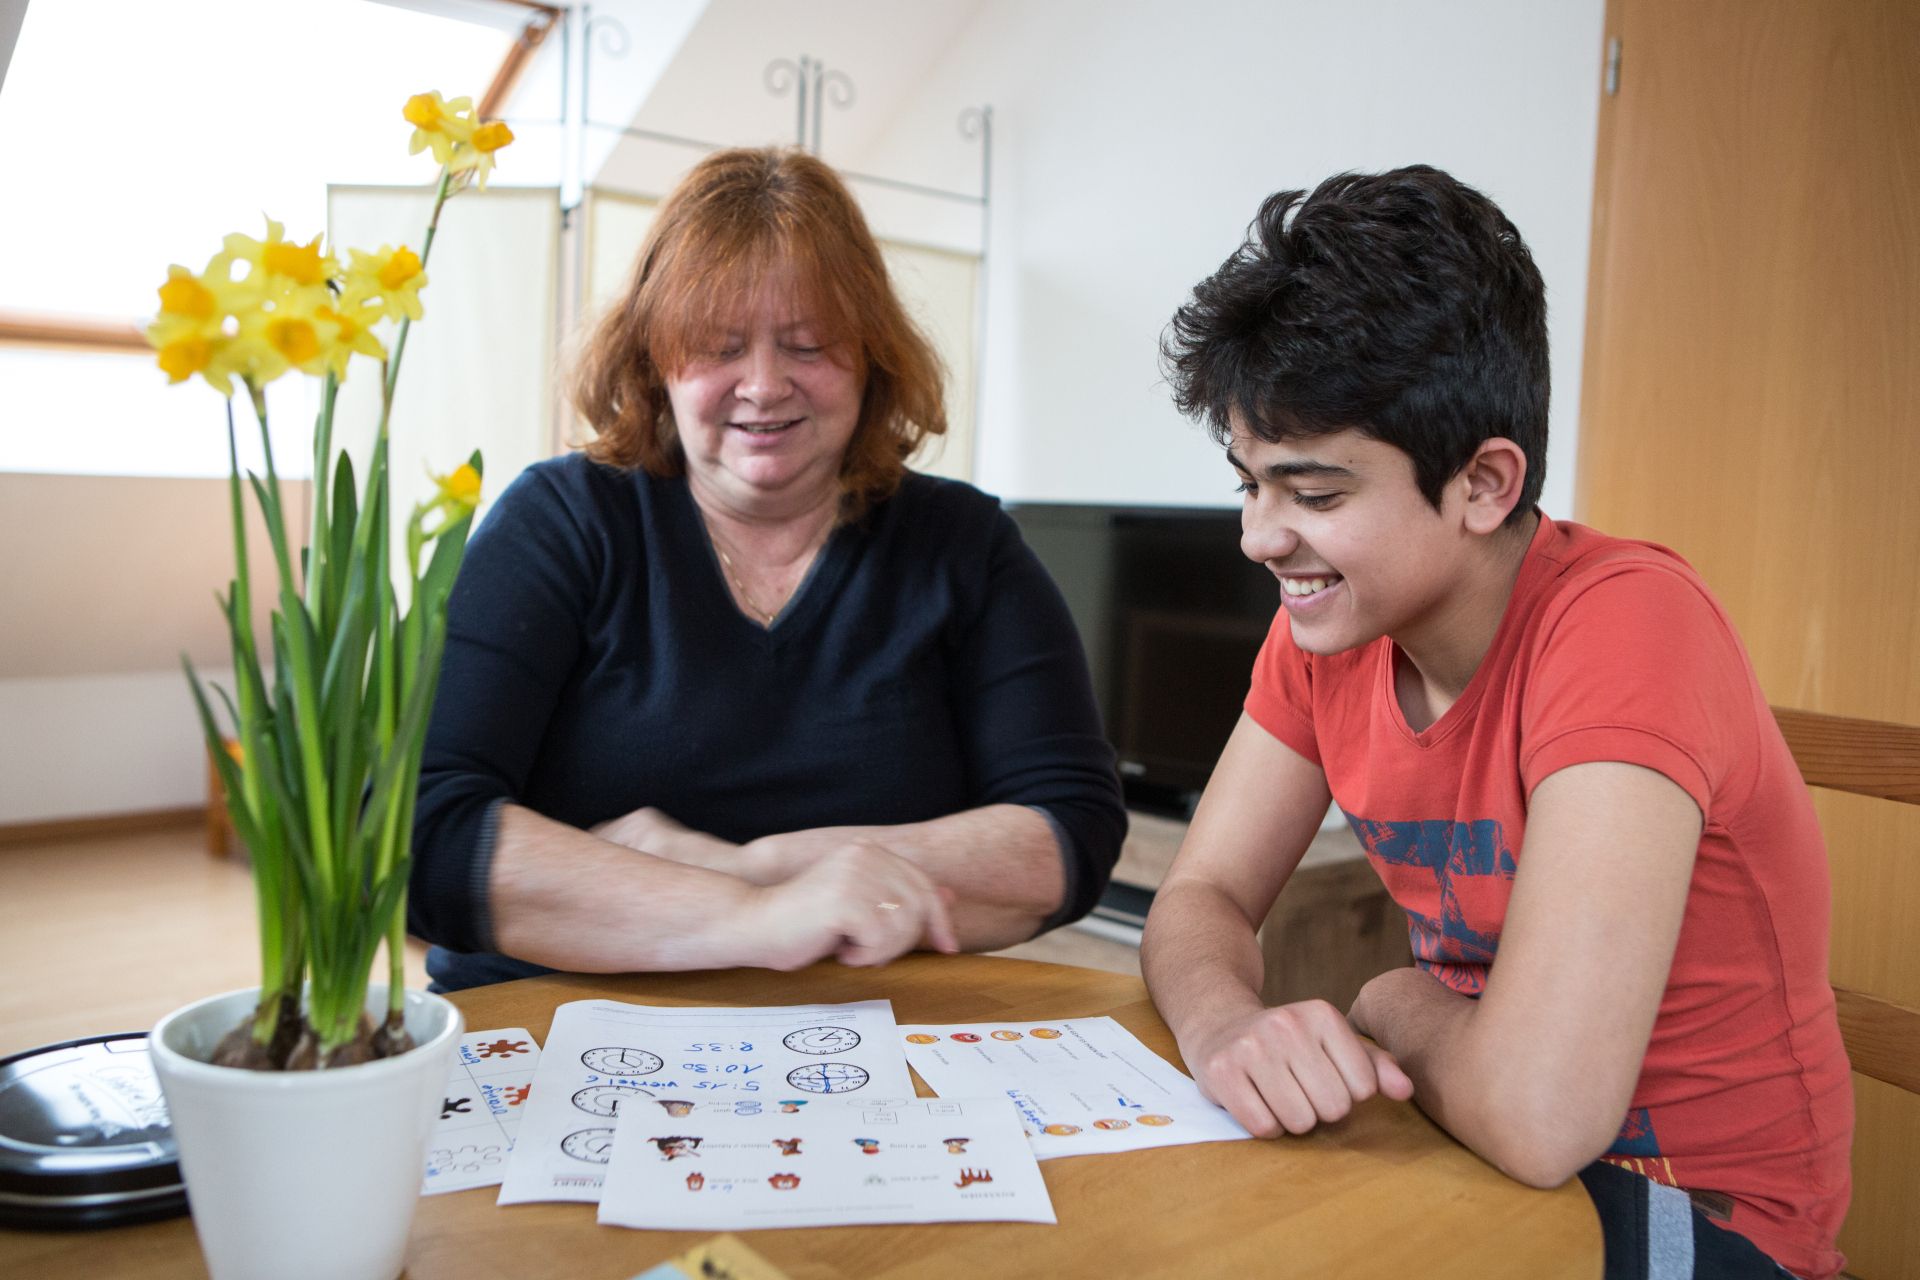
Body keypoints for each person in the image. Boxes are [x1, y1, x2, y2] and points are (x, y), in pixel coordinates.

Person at [1143, 166, 1851, 1279]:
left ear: (1482, 482)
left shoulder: (1628, 628)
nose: (1258, 537)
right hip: (1475, 1155)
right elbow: (1202, 896)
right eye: (1249, 484)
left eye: (1315, 494)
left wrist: (1389, 999)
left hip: (1706, 1219)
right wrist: (1226, 1021)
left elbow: (1536, 1112)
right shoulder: (1332, 629)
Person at [408, 147, 1125, 993]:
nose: (763, 384)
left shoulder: (962, 543)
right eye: (718, 346)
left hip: (864, 1030)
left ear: (871, 355)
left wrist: (753, 865)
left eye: (807, 344)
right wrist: (752, 917)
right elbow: (422, 832)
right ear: (654, 360)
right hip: (555, 1020)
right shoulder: (563, 522)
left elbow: (1067, 829)